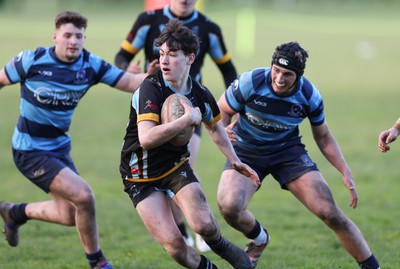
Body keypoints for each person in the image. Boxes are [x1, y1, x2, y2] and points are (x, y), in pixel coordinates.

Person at [0, 10, 157, 269]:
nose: (73, 41)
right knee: (84, 196)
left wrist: (150, 75)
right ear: (55, 37)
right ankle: (97, 262)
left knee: (67, 214)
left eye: (79, 36)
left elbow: (130, 82)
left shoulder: (90, 65)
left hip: (59, 147)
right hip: (29, 149)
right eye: (68, 35)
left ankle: (14, 212)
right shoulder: (31, 60)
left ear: (85, 39)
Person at [216, 41, 381, 269]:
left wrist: (345, 170)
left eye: (288, 74)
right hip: (246, 150)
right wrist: (222, 131)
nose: (279, 79)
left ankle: (373, 267)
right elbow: (222, 109)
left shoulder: (309, 95)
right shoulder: (250, 82)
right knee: (229, 206)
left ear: (299, 75)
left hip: (287, 152)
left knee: (329, 212)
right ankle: (260, 239)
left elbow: (323, 137)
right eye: (276, 70)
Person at [119, 19, 259, 269]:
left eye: (172, 55)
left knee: (204, 225)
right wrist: (186, 120)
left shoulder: (201, 94)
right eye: (161, 54)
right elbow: (147, 139)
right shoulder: (149, 88)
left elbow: (215, 127)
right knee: (175, 246)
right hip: (139, 175)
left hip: (175, 166)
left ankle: (230, 252)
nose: (164, 61)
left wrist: (236, 161)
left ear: (190, 58)